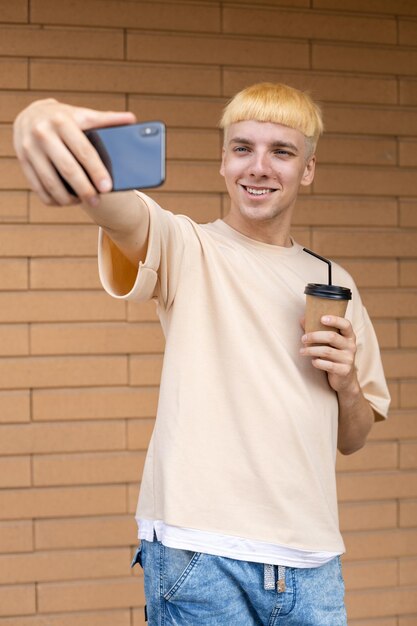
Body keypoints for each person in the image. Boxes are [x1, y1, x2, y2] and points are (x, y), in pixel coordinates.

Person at [14, 82, 390, 626]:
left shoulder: (334, 282)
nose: (259, 167)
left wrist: (347, 382)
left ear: (307, 170)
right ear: (222, 161)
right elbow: (114, 209)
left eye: (281, 152)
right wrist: (40, 117)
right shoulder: (186, 246)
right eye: (243, 148)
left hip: (313, 565)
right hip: (199, 554)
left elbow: (353, 439)